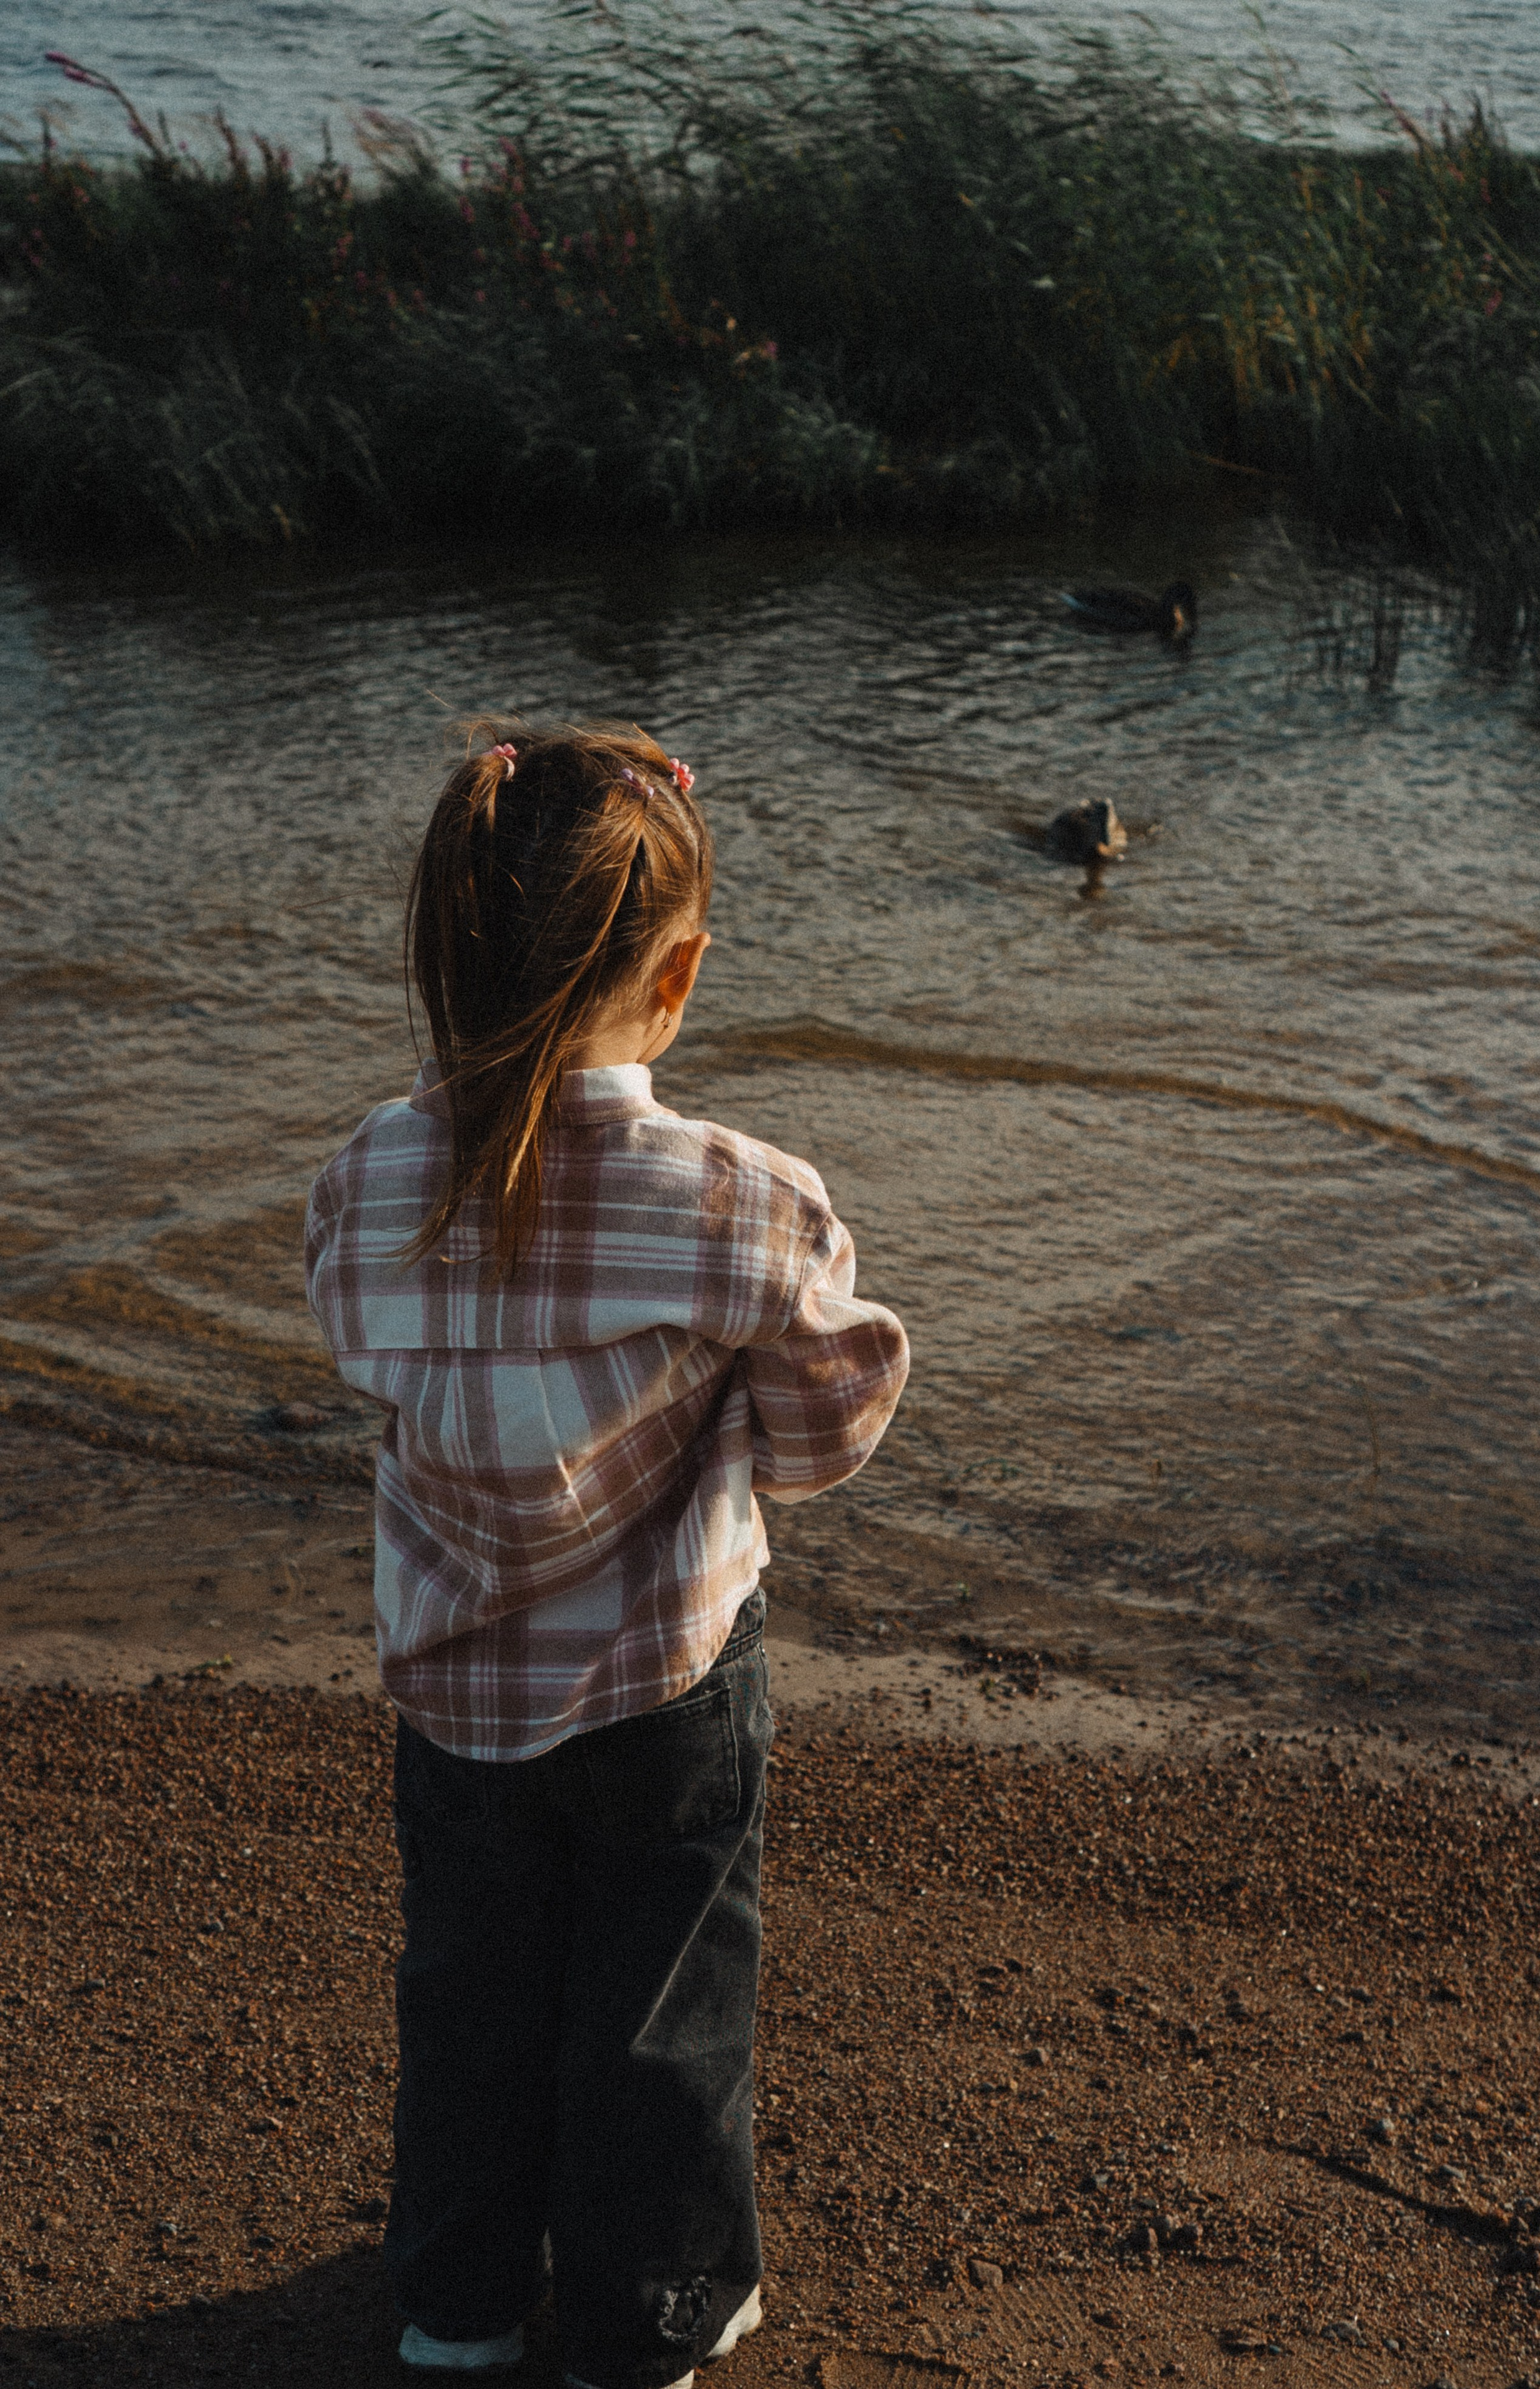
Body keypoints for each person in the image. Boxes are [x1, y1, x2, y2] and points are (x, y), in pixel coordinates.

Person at [305, 722, 909, 2382]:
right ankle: (656, 2310)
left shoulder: (364, 1187)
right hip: (667, 1678)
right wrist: (736, 1462)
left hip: (455, 1686)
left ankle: (459, 2306)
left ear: (445, 955)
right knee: (664, 2000)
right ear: (682, 972)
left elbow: (374, 1356)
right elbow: (835, 1410)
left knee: (474, 1997)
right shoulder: (739, 1201)